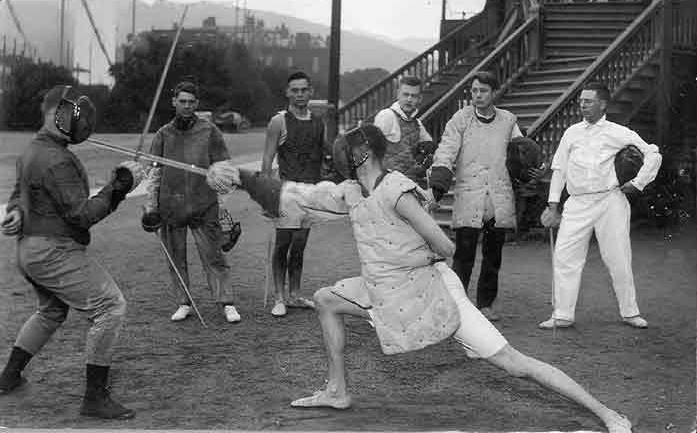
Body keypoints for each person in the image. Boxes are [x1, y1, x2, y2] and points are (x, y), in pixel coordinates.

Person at [206, 124, 632, 433]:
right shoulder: (352, 193)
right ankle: (338, 390)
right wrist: (241, 178)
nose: (335, 156)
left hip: (430, 292)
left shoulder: (397, 190)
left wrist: (409, 260)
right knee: (325, 299)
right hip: (384, 292)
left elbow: (445, 248)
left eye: (342, 151)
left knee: (514, 365)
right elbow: (297, 195)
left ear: (358, 156)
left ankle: (608, 414)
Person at [0, 85, 144, 419]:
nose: (79, 120)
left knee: (52, 311)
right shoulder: (57, 159)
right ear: (55, 113)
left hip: (29, 251)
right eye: (72, 112)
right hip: (53, 251)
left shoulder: (34, 149)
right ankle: (94, 398)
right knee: (111, 305)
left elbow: (21, 192)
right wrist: (120, 186)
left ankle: (8, 377)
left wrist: (16, 210)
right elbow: (82, 215)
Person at [538, 82, 661, 330]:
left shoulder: (618, 131)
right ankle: (562, 314)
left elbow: (652, 153)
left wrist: (638, 183)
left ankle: (630, 312)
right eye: (581, 101)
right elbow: (559, 168)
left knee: (618, 257)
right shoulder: (571, 133)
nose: (582, 105)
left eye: (588, 101)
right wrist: (553, 205)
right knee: (564, 256)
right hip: (577, 203)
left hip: (610, 201)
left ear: (603, 104)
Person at [430, 70, 542, 321]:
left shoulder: (508, 121)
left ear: (494, 93)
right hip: (470, 194)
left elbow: (521, 151)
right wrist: (438, 184)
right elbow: (446, 150)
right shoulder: (460, 120)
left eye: (482, 91)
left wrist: (533, 168)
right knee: (464, 256)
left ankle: (486, 304)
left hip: (498, 196)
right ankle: (457, 305)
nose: (477, 96)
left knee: (494, 256)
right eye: (474, 91)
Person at [141, 80, 240, 323]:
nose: (186, 106)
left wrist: (223, 205)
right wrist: (151, 207)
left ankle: (226, 303)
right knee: (175, 258)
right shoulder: (163, 135)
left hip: (203, 205)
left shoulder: (210, 131)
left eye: (191, 102)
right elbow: (153, 174)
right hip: (170, 206)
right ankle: (183, 303)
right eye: (182, 101)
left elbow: (223, 170)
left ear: (197, 103)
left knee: (213, 255)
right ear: (174, 102)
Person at [261, 71, 324, 317]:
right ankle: (279, 296)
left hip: (310, 192)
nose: (299, 94)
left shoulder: (318, 122)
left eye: (303, 90)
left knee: (300, 245)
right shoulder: (279, 121)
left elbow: (321, 157)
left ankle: (295, 294)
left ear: (311, 92)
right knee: (283, 244)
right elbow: (267, 158)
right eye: (294, 90)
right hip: (286, 192)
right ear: (287, 92)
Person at [373, 76, 434, 180]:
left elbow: (430, 146)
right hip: (387, 183)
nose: (409, 99)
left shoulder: (417, 124)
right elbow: (371, 151)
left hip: (409, 183)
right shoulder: (386, 116)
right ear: (398, 94)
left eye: (413, 96)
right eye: (405, 94)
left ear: (420, 98)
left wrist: (424, 159)